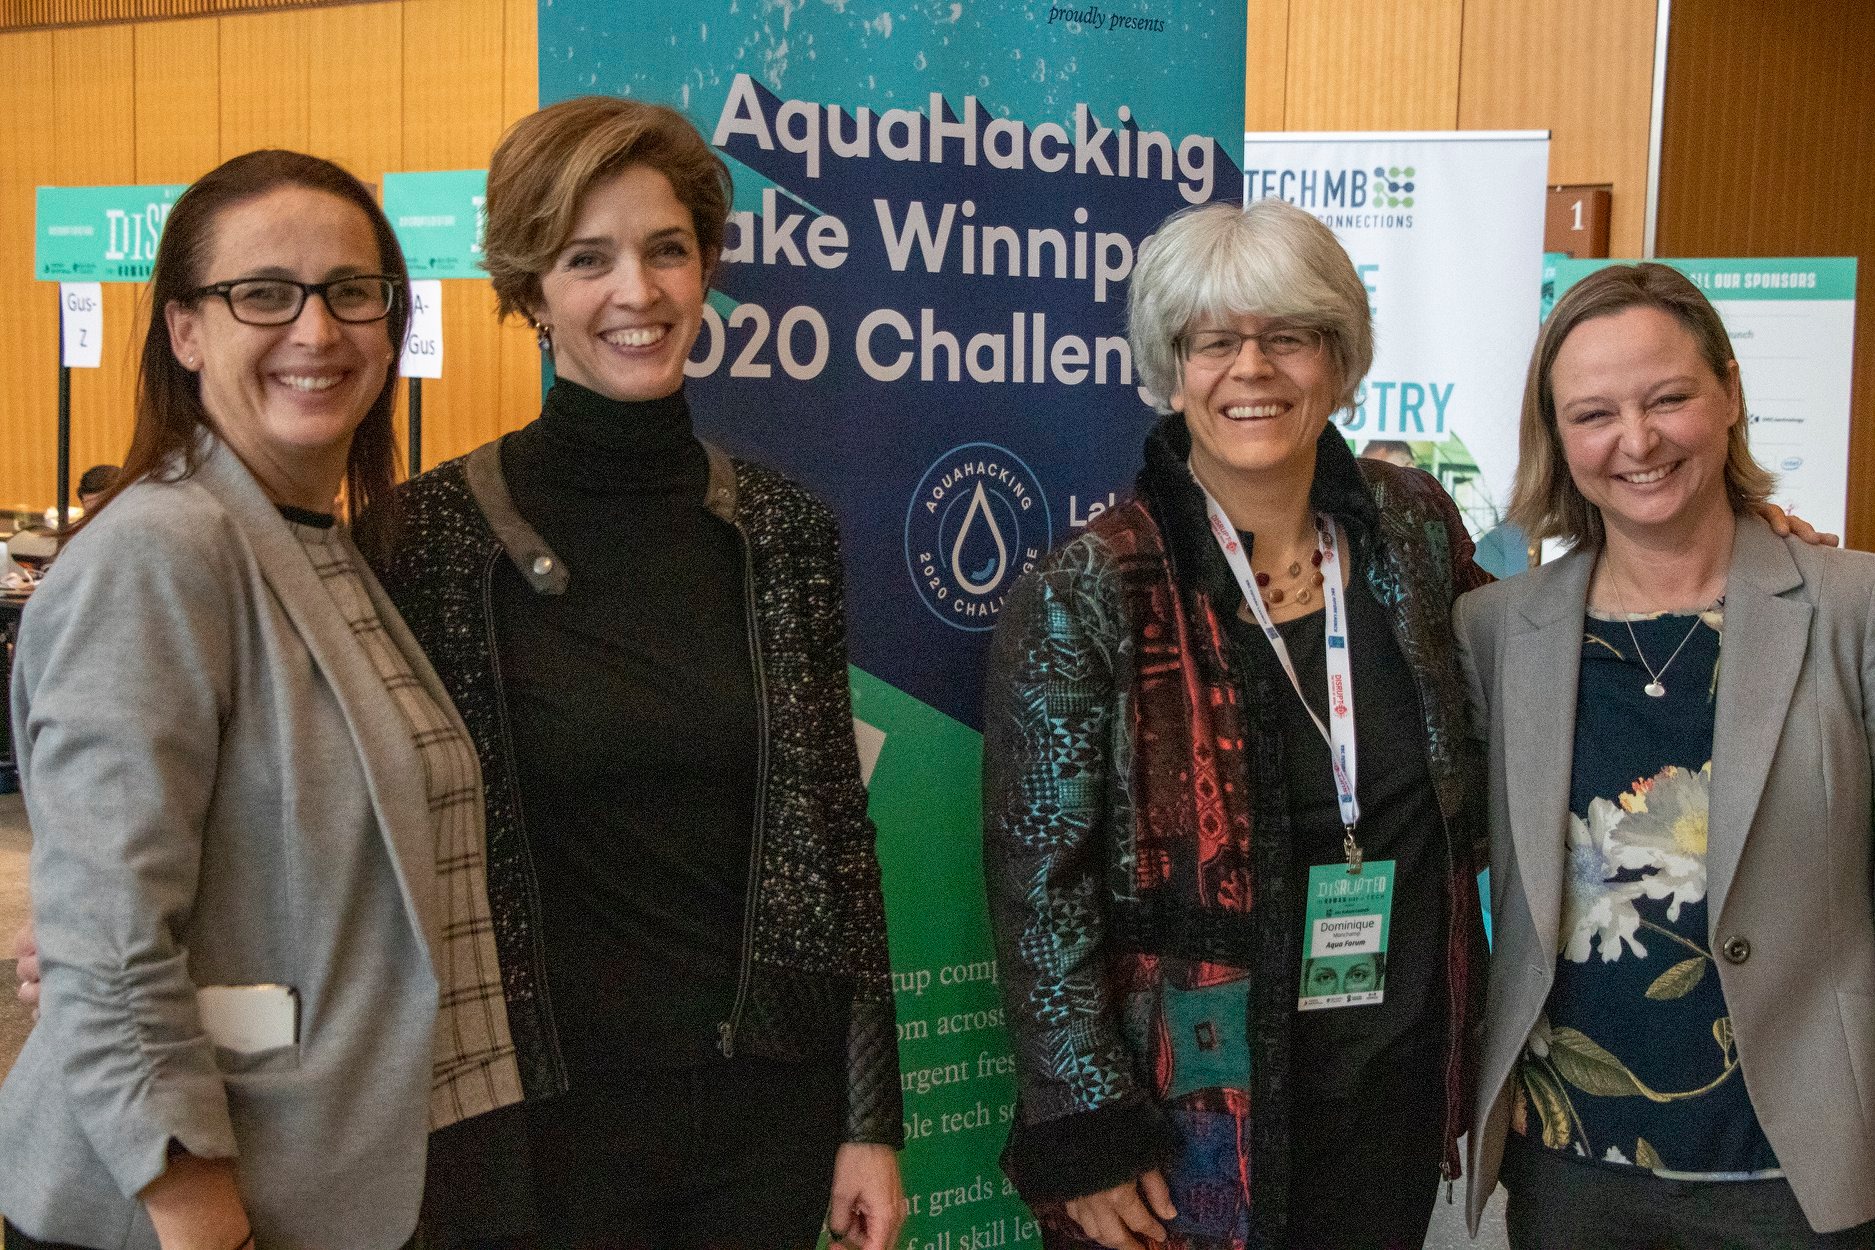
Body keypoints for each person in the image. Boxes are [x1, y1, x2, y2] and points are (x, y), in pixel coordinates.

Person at [364, 96, 904, 1250]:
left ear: (707, 266)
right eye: (587, 258)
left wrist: (870, 1121)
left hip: (763, 1120)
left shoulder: (784, 530)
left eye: (667, 250)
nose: (637, 292)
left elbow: (838, 842)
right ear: (529, 292)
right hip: (535, 1134)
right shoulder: (429, 539)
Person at [0, 149, 521, 1250]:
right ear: (186, 331)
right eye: (263, 294)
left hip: (338, 1182)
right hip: (178, 1214)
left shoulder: (323, 546)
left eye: (351, 291)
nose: (317, 331)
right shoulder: (161, 551)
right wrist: (200, 1215)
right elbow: (106, 941)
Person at [981, 198, 1491, 1250]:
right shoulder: (1092, 589)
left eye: (1288, 336)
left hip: (1390, 1095)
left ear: (1339, 362)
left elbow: (1529, 655)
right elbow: (1040, 891)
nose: (1250, 368)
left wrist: (1721, 535)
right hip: (1189, 1134)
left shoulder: (1412, 530)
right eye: (1214, 341)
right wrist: (1090, 1129)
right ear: (1172, 371)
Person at [1458, 262, 1875, 1248]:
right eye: (1594, 413)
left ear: (1729, 392)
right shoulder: (1493, 630)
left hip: (1803, 1162)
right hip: (1574, 1165)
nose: (1636, 441)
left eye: (1669, 398)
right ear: (1558, 437)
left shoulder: (1849, 610)